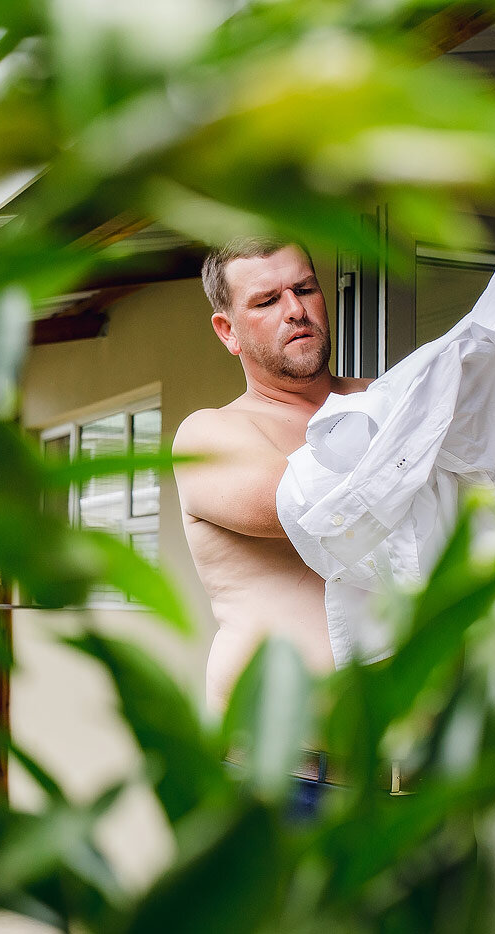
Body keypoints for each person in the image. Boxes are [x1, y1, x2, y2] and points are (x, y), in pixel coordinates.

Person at [172, 238, 371, 716]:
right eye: (266, 300)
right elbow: (311, 506)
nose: (295, 310)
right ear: (228, 331)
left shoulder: (380, 398)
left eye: (304, 289)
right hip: (286, 777)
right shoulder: (210, 434)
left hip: (419, 769)